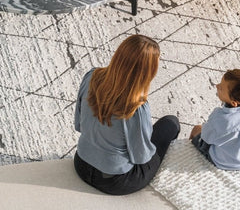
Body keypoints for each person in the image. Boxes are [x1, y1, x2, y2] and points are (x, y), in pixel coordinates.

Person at [74, 35, 180, 195]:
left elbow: (78, 125)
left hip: (81, 163)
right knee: (171, 124)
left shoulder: (91, 76)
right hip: (113, 181)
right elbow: (141, 157)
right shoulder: (136, 108)